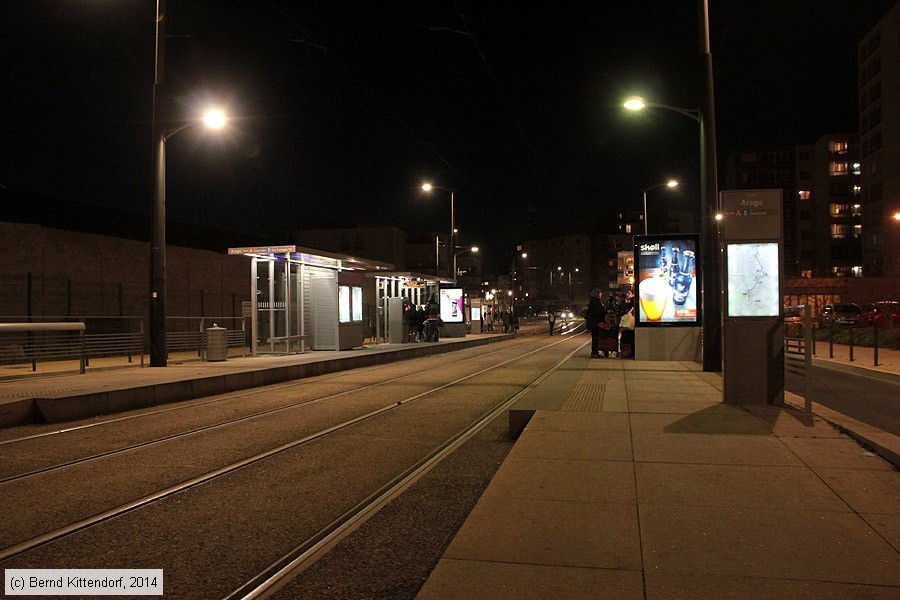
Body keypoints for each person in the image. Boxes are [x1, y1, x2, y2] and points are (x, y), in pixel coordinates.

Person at [585, 288, 608, 358]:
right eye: (600, 294)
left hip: (594, 322)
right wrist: (605, 311)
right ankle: (594, 352)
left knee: (595, 337)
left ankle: (595, 352)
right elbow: (597, 312)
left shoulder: (593, 301)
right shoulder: (595, 302)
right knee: (595, 337)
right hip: (595, 323)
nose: (601, 295)